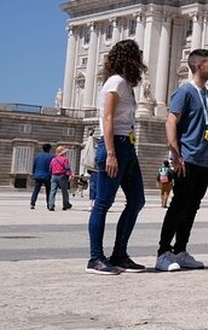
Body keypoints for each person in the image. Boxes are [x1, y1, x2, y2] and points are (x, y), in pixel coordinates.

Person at [87, 39, 147, 275]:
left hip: (127, 146)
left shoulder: (125, 84)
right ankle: (95, 258)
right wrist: (111, 153)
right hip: (115, 146)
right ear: (129, 58)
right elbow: (108, 118)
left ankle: (119, 254)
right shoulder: (115, 82)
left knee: (137, 200)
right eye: (137, 57)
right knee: (103, 203)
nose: (141, 62)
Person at [157, 48, 208, 272]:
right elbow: (171, 122)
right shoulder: (184, 92)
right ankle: (163, 253)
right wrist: (175, 154)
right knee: (178, 206)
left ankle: (180, 250)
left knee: (192, 207)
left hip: (203, 159)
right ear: (199, 66)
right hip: (187, 158)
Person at [47, 145, 73, 211]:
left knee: (52, 191)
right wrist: (69, 175)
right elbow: (67, 168)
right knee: (64, 191)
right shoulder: (65, 159)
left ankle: (51, 205)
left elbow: (50, 169)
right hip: (62, 176)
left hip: (54, 176)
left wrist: (52, 174)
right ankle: (65, 205)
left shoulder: (53, 159)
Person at [30, 143, 53, 209]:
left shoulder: (37, 156)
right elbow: (52, 167)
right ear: (49, 149)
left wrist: (34, 174)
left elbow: (34, 166)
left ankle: (32, 203)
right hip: (47, 176)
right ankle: (49, 204)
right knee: (48, 190)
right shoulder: (51, 157)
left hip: (38, 175)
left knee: (36, 190)